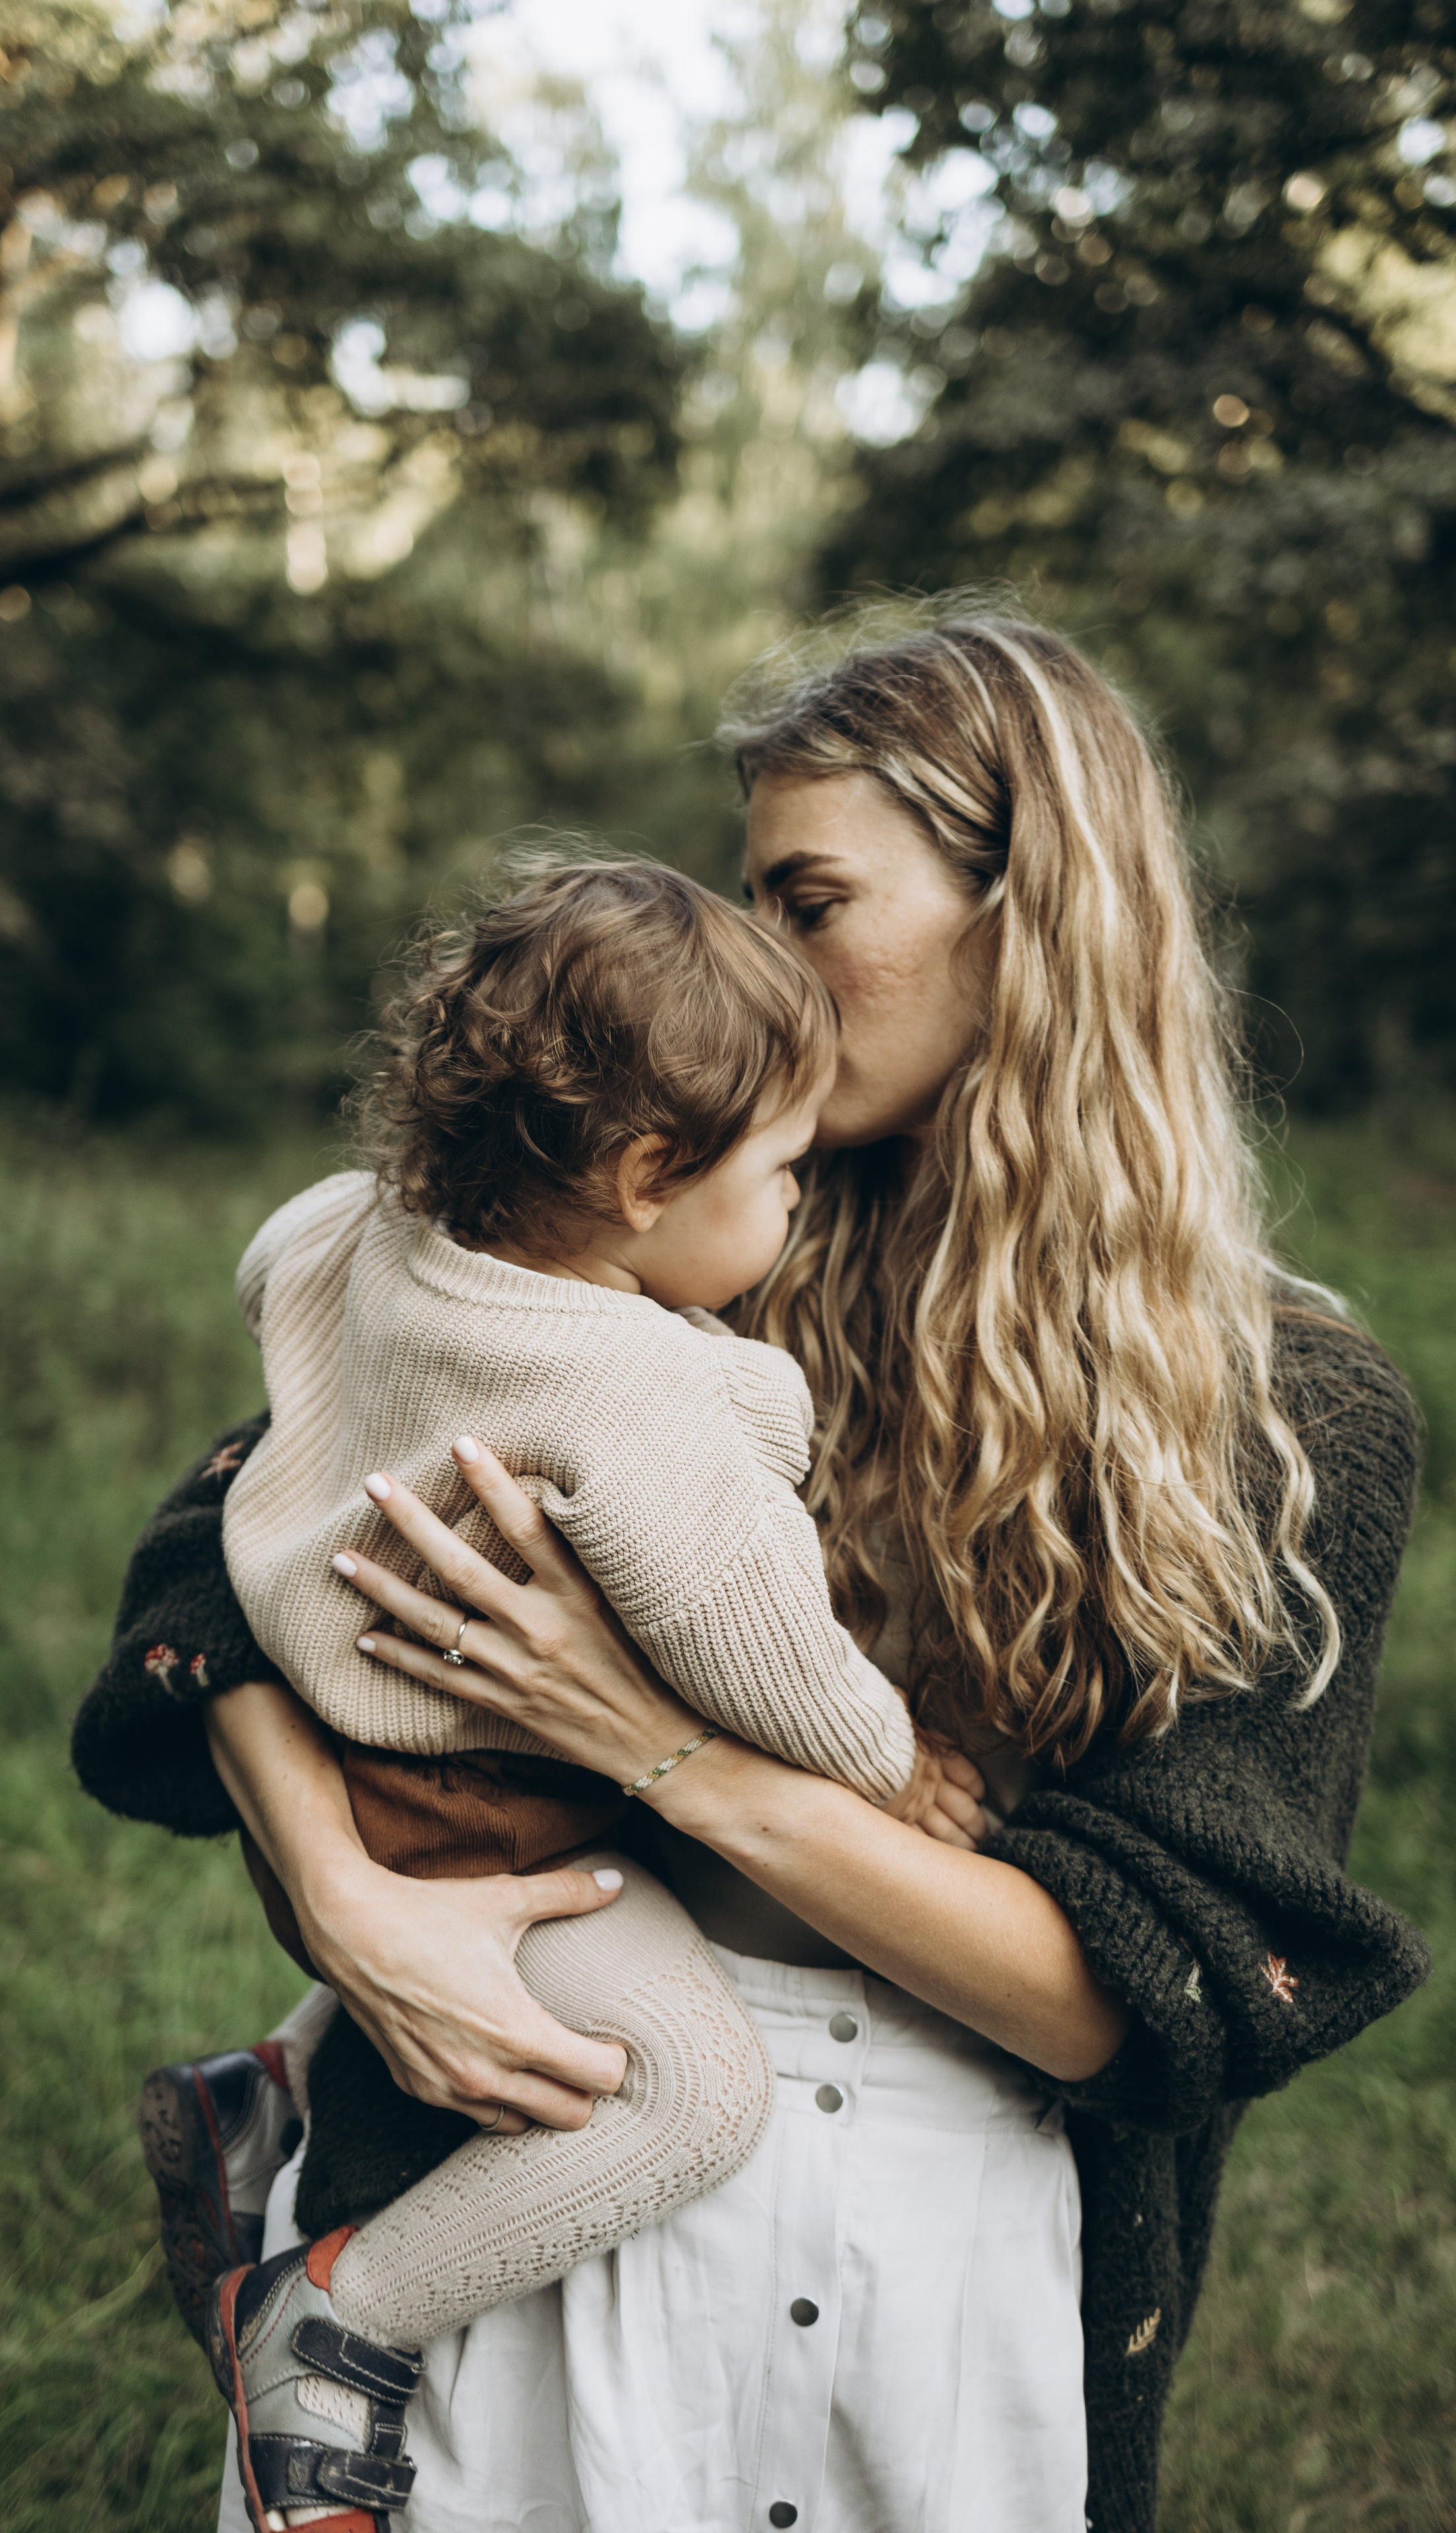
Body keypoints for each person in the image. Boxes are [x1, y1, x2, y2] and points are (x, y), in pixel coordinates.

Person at [73, 610, 1429, 2533]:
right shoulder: (663, 1234)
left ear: (1030, 910)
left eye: (812, 901)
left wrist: (661, 1748)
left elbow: (1139, 2002)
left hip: (941, 2267)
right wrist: (347, 1894)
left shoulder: (1293, 1408)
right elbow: (224, 1555)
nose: (757, 963)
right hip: (518, 2144)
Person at [201, 856, 969, 2529]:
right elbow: (762, 1656)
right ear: (639, 1175)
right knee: (692, 2097)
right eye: (775, 1170)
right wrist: (889, 1765)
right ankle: (333, 2324)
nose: (790, 1205)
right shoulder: (646, 1407)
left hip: (338, 1763)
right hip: (471, 1819)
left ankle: (254, 2109)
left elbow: (282, 1253)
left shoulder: (375, 1230)